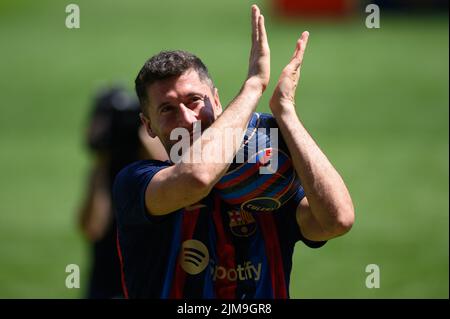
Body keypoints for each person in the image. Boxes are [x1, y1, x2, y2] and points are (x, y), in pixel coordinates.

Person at [113, 5, 354, 299]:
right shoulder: (135, 182)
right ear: (148, 125)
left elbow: (337, 219)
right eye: (167, 109)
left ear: (216, 100)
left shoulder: (263, 184)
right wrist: (254, 85)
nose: (187, 119)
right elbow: (197, 179)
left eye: (194, 101)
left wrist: (286, 113)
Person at [78, 86, 167, 298]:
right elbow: (92, 227)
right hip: (108, 284)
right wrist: (102, 160)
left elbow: (177, 184)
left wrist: (146, 145)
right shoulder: (104, 170)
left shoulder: (153, 173)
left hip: (150, 282)